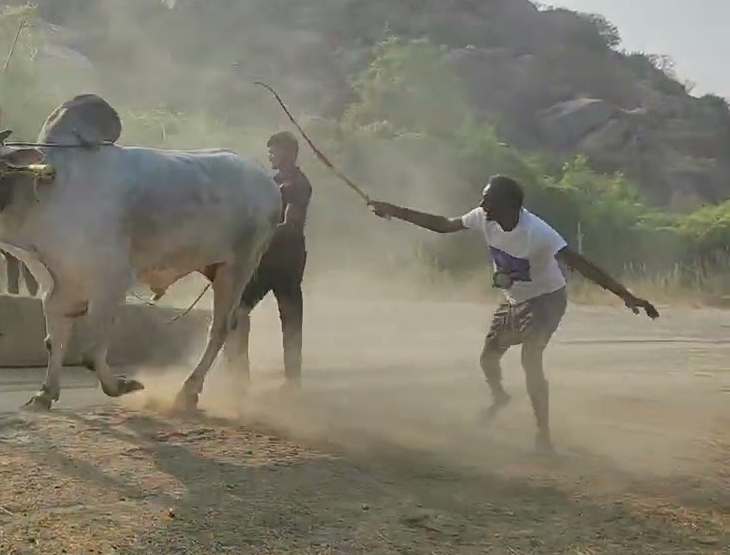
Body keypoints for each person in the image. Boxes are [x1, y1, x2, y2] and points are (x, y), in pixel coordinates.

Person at [368, 175, 659, 454]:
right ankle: (500, 397)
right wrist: (393, 210)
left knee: (530, 360)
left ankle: (543, 438)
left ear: (510, 206)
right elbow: (443, 225)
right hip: (514, 300)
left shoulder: (539, 234)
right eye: (483, 201)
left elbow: (582, 265)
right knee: (488, 358)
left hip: (547, 301)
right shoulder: (484, 217)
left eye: (488, 201)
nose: (482, 206)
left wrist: (626, 296)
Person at [227, 131, 313, 390]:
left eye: (275, 151)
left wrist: (257, 233)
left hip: (286, 262)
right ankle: (238, 375)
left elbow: (292, 224)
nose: (271, 155)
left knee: (289, 322)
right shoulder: (273, 182)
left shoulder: (297, 184)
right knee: (238, 311)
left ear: (289, 154)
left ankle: (292, 383)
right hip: (266, 259)